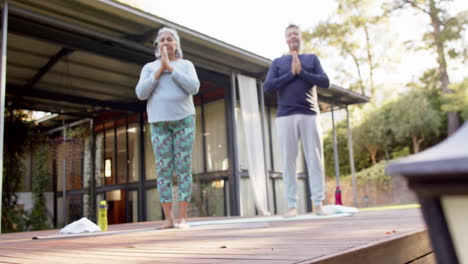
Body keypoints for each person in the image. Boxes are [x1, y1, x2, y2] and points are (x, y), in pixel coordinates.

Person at [136, 27, 200, 229]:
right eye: (162, 39)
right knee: (163, 169)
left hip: (184, 120)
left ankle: (182, 218)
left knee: (183, 168)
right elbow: (141, 93)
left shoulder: (186, 64)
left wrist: (171, 69)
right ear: (157, 45)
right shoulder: (149, 67)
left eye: (170, 39)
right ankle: (168, 219)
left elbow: (194, 87)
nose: (165, 42)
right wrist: (159, 70)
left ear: (177, 44)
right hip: (159, 123)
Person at [263, 24, 330, 217]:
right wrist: (291, 74)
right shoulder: (278, 62)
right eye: (289, 34)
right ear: (286, 39)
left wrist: (302, 73)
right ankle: (291, 206)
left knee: (315, 159)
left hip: (309, 113)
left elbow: (325, 82)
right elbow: (268, 86)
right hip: (285, 116)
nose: (293, 37)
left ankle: (318, 204)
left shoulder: (311, 59)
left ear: (301, 37)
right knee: (288, 161)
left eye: (296, 34)